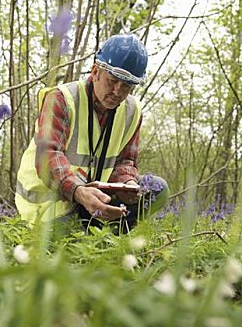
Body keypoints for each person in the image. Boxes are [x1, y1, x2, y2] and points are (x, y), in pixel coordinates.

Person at [15, 34, 169, 234]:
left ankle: (108, 236)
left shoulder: (132, 111)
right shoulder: (62, 99)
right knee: (67, 244)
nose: (117, 92)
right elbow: (48, 156)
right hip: (52, 206)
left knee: (157, 188)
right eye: (112, 81)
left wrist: (128, 185)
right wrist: (80, 192)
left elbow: (125, 162)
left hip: (94, 198)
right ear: (96, 71)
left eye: (126, 87)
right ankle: (90, 238)